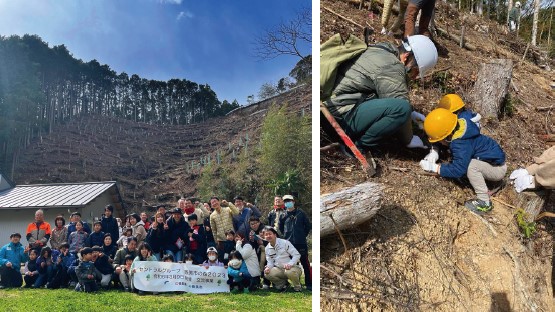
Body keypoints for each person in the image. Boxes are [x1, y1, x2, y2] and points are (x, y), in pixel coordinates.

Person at [322, 35, 438, 154]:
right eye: (416, 70)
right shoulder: (392, 66)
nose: (414, 76)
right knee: (402, 109)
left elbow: (388, 92)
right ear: (407, 57)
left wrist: (412, 114)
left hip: (330, 110)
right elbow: (400, 102)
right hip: (339, 120)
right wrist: (409, 139)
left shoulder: (380, 50)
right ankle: (358, 148)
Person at [421, 108, 506, 214]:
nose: (440, 142)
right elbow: (444, 134)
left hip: (497, 169)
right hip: (491, 162)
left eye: (440, 140)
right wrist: (435, 151)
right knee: (469, 164)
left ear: (448, 136)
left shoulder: (461, 143)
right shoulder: (460, 125)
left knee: (472, 166)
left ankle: (484, 203)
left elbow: (459, 169)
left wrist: (436, 168)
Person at [279, 195, 312, 291]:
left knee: (305, 263)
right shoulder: (283, 215)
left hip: (300, 243)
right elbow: (281, 228)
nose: (287, 203)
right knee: (289, 264)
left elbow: (308, 226)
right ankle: (290, 283)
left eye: (289, 201)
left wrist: (301, 235)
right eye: (285, 201)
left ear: (293, 201)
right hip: (288, 244)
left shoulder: (301, 213)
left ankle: (309, 283)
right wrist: (287, 236)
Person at [263, 226, 302, 292]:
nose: (268, 236)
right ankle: (284, 284)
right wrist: (268, 268)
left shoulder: (285, 243)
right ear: (264, 237)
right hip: (280, 269)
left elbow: (296, 255)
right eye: (266, 235)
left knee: (290, 272)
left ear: (275, 235)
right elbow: (270, 262)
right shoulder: (267, 248)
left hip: (293, 268)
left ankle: (297, 287)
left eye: (270, 234)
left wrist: (290, 264)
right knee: (267, 273)